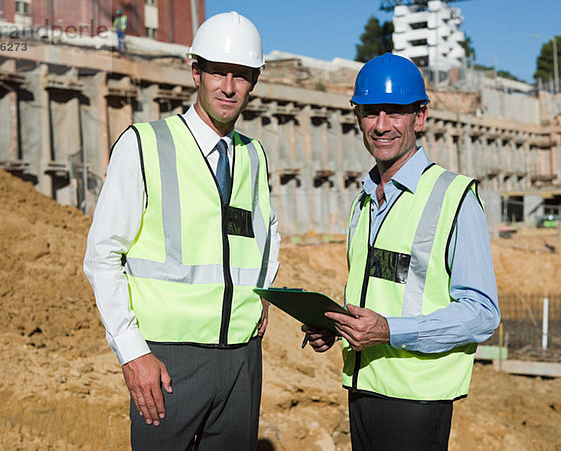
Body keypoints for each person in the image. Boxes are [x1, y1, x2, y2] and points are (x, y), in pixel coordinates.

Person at [84, 11, 280, 450]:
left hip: (242, 359)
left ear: (255, 81)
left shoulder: (253, 156)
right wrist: (133, 352)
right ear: (196, 72)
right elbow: (102, 256)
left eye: (242, 75)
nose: (229, 87)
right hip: (168, 361)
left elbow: (267, 233)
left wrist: (262, 292)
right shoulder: (144, 145)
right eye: (218, 73)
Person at [305, 53, 499, 451]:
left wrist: (389, 331)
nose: (380, 126)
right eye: (369, 112)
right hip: (362, 390)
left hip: (416, 402)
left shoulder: (454, 197)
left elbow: (482, 314)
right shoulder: (363, 202)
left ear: (420, 116)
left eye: (394, 112)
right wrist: (338, 326)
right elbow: (386, 289)